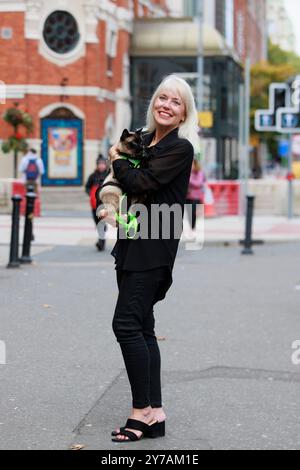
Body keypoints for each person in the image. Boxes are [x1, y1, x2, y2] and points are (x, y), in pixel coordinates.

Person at [108, 75, 199, 442]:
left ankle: (140, 412)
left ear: (182, 114)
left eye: (175, 102)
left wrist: (117, 159)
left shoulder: (180, 149)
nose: (166, 105)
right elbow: (120, 180)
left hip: (155, 245)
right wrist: (120, 165)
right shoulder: (143, 140)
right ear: (153, 104)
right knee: (142, 327)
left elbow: (141, 183)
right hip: (131, 242)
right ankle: (155, 412)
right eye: (162, 98)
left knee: (125, 325)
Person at [85, 155, 109, 251]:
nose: (101, 166)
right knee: (97, 222)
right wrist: (91, 194)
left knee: (101, 222)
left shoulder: (108, 175)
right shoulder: (93, 176)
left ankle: (101, 242)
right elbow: (87, 187)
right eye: (100, 164)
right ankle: (101, 239)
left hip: (104, 204)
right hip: (94, 203)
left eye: (103, 164)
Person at [185, 159, 206, 240]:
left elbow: (199, 183)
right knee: (189, 214)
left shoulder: (199, 173)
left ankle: (193, 229)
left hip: (196, 197)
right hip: (188, 196)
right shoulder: (187, 172)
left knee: (193, 213)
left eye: (192, 164)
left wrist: (189, 179)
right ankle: (191, 229)